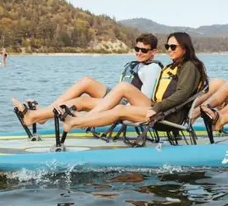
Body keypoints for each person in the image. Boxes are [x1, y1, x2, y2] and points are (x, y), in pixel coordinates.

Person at [62, 32, 208, 132]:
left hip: (168, 116)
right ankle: (85, 119)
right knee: (123, 88)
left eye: (173, 47)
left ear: (185, 48)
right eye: (167, 47)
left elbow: (182, 94)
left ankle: (78, 122)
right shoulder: (175, 66)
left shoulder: (189, 66)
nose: (169, 50)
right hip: (158, 108)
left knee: (120, 109)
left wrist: (158, 108)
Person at [12, 33, 162, 126]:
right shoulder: (137, 65)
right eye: (137, 49)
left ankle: (77, 120)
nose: (139, 53)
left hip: (134, 104)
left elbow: (145, 98)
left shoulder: (152, 68)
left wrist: (118, 106)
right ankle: (43, 115)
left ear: (154, 51)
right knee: (86, 81)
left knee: (82, 101)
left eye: (144, 50)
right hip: (121, 98)